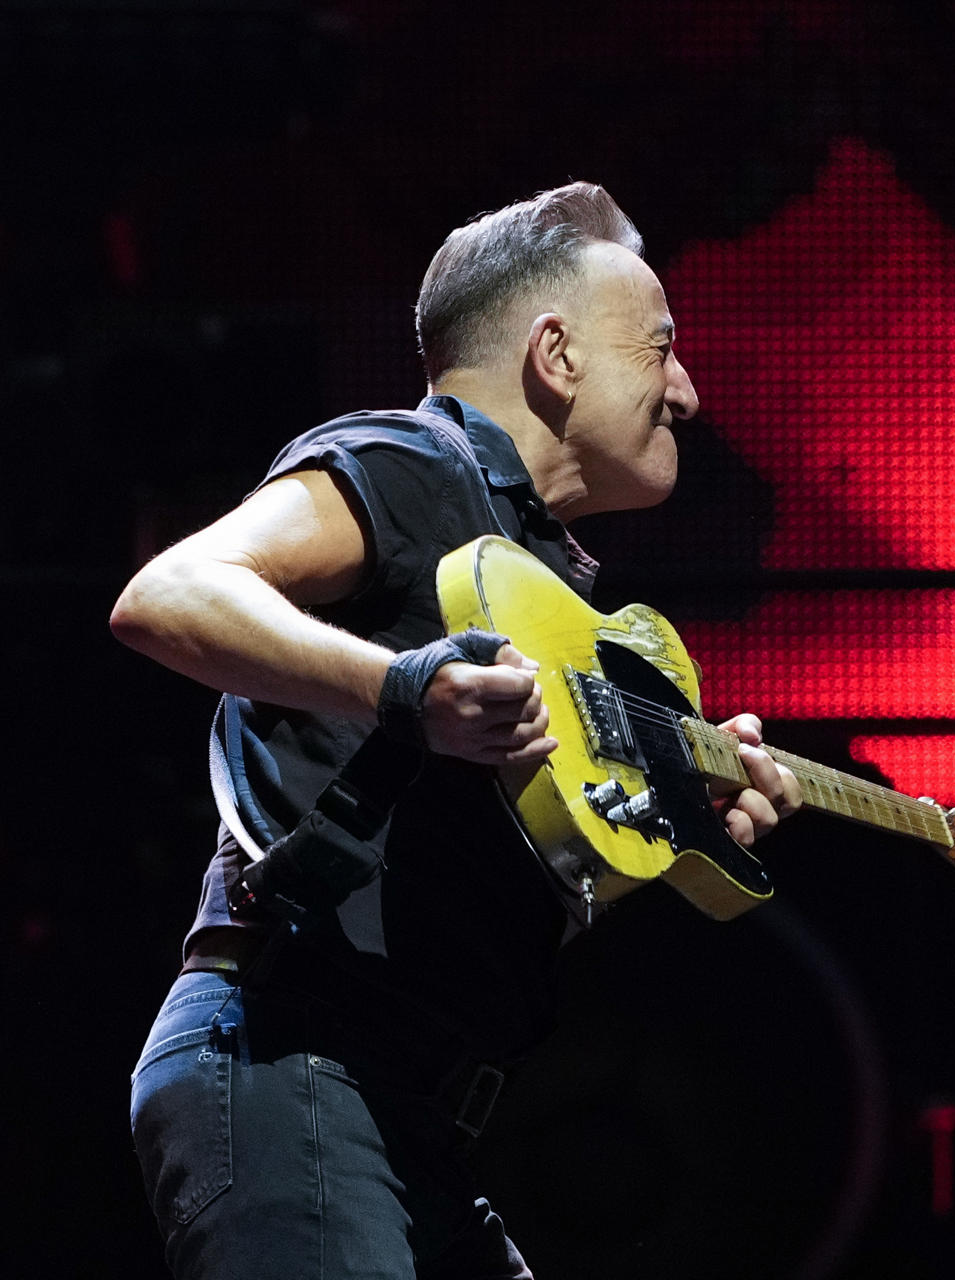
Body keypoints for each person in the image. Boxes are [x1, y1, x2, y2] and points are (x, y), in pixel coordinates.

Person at [109, 182, 802, 1279]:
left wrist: (678, 830)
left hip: (413, 1112)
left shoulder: (552, 593)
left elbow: (496, 899)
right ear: (556, 355)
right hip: (295, 1056)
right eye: (663, 348)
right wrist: (402, 686)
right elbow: (170, 593)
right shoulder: (412, 464)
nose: (690, 391)